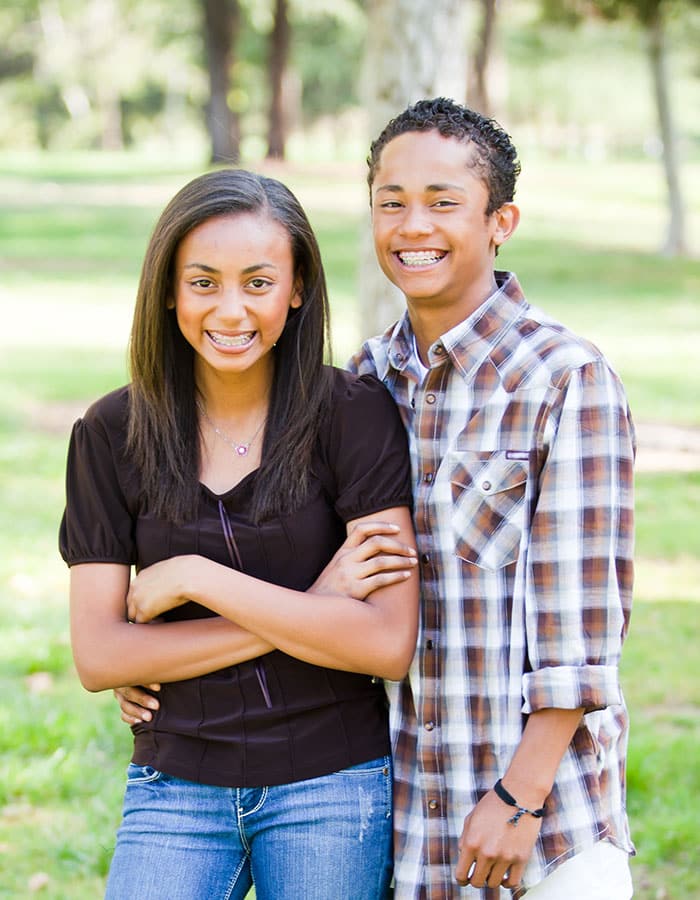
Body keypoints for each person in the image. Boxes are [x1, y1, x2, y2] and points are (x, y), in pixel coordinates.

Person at [116, 98, 637, 899]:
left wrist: (519, 797)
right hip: (407, 824)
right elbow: (318, 585)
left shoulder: (563, 378)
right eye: (391, 201)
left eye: (442, 202)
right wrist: (178, 660)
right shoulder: (365, 383)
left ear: (502, 220)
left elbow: (582, 627)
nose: (411, 225)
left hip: (542, 826)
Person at [59, 168, 420, 900]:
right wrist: (319, 603)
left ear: (296, 289)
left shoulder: (355, 416)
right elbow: (100, 655)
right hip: (175, 781)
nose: (231, 310)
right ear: (168, 290)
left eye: (258, 282)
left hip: (331, 779)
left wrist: (198, 577)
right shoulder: (110, 433)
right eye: (203, 283)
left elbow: (386, 643)